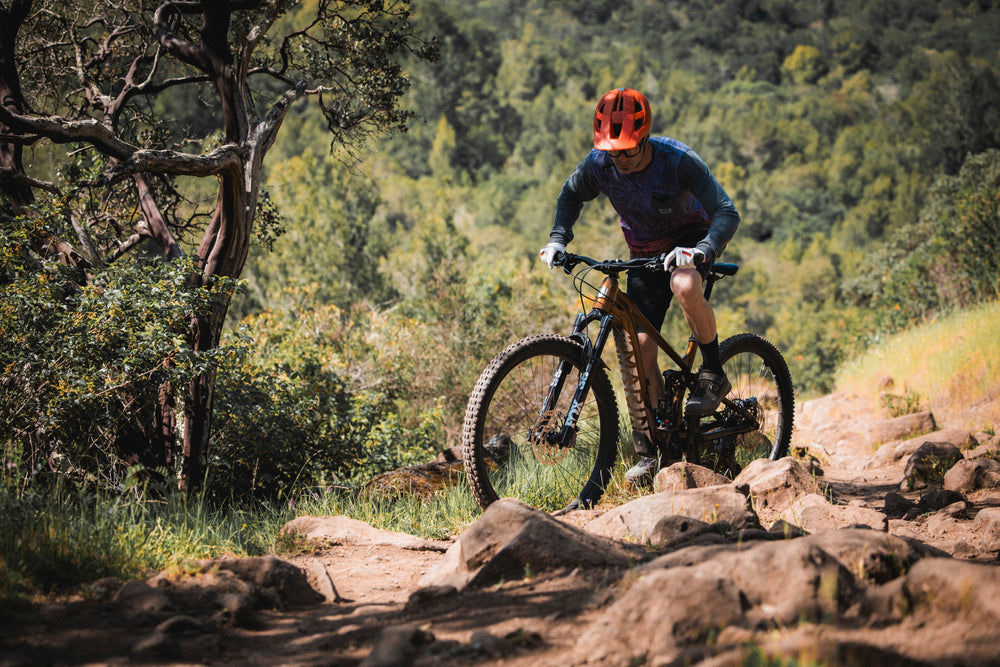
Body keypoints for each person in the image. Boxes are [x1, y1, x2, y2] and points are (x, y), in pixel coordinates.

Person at [538, 87, 741, 485]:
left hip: (689, 248)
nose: (621, 159)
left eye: (628, 150)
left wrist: (701, 250)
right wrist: (559, 238)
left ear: (645, 138)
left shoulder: (677, 161)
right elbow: (570, 195)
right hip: (645, 255)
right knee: (640, 346)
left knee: (684, 286)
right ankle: (654, 452)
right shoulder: (600, 164)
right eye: (613, 152)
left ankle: (713, 371)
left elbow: (725, 211)